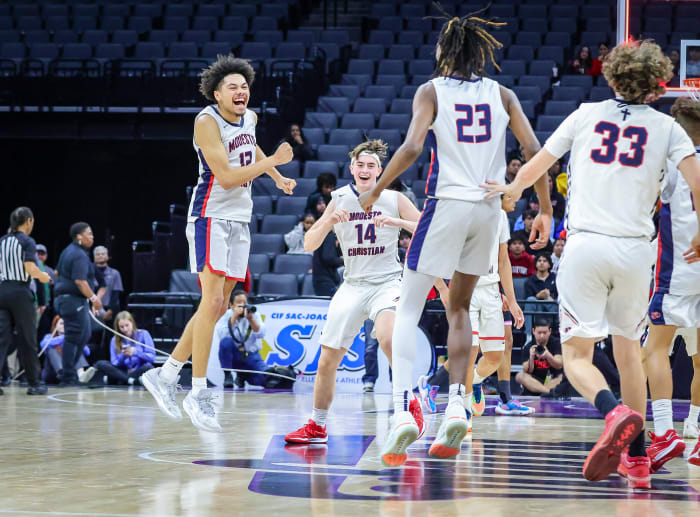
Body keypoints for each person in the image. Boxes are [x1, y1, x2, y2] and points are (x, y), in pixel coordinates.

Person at [485, 40, 700, 489]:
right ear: (658, 84)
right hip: (636, 252)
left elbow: (536, 165)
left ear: (612, 76)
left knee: (580, 355)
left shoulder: (585, 114)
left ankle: (613, 411)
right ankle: (638, 460)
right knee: (629, 354)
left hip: (584, 247)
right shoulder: (668, 129)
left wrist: (510, 193)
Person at [357, 6, 552, 466]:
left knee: (407, 308)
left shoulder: (431, 90)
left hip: (446, 203)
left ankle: (406, 408)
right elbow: (532, 150)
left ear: (444, 52)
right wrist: (542, 205)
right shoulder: (502, 94)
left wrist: (377, 191)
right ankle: (458, 404)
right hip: (487, 210)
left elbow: (410, 148)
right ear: (480, 56)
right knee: (460, 308)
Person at [141, 55, 296, 433]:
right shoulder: (206, 122)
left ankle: (166, 374)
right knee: (211, 303)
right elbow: (225, 177)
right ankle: (198, 392)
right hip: (210, 215)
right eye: (233, 86)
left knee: (219, 306)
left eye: (244, 85)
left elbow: (253, 148)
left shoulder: (251, 117)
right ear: (216, 93)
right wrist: (273, 160)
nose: (241, 91)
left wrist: (275, 174)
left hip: (240, 219)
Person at [285, 139, 447, 446]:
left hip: (387, 282)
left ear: (380, 171)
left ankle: (410, 403)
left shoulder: (393, 198)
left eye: (371, 165)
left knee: (387, 336)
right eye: (360, 164)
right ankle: (317, 427)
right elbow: (309, 245)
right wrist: (329, 220)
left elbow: (429, 228)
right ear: (351, 169)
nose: (365, 169)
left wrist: (397, 222)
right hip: (353, 285)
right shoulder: (339, 199)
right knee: (327, 360)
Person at [643, 97, 700, 471]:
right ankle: (696, 432)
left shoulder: (673, 162)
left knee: (654, 349)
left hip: (678, 268)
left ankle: (664, 433)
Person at [463, 197, 529, 420]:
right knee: (470, 349)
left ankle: (473, 384)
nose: (515, 199)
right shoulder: (462, 209)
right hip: (467, 287)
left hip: (492, 289)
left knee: (496, 354)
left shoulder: (500, 216)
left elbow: (503, 261)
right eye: (511, 196)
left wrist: (511, 300)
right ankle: (461, 407)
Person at [0, 207, 51, 396]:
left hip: (2, 291)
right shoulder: (27, 241)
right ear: (28, 221)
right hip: (20, 293)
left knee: (1, 339)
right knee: (28, 339)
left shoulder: (2, 241)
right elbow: (30, 268)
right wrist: (43, 276)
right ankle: (34, 383)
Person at [53, 222, 102, 387]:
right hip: (72, 300)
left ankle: (71, 372)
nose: (92, 237)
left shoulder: (67, 251)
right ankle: (68, 376)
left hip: (67, 300)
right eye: (89, 233)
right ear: (79, 236)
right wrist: (95, 299)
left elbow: (57, 273)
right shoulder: (79, 255)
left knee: (85, 334)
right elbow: (80, 281)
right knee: (73, 337)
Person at [88, 311, 155, 385]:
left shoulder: (143, 334)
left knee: (148, 367)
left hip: (138, 370)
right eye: (121, 327)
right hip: (122, 371)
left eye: (127, 325)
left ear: (132, 323)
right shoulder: (114, 339)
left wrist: (136, 353)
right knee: (101, 363)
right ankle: (130, 380)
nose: (125, 329)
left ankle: (122, 380)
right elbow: (114, 362)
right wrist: (123, 356)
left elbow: (152, 357)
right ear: (118, 327)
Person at [218, 290, 266, 387]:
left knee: (265, 379)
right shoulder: (226, 315)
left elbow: (261, 334)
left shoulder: (254, 314)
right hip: (235, 356)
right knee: (226, 342)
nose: (243, 305)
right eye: (239, 303)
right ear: (231, 305)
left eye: (245, 302)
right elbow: (222, 336)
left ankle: (243, 376)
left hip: (251, 355)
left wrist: (251, 319)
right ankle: (228, 375)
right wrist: (233, 317)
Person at [515, 320, 563, 395]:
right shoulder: (528, 346)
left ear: (550, 331)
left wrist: (548, 356)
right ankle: (547, 392)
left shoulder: (556, 343)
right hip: (535, 380)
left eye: (544, 333)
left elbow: (559, 365)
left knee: (562, 377)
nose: (542, 336)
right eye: (539, 332)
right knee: (520, 376)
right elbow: (527, 370)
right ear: (533, 331)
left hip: (553, 379)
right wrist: (531, 357)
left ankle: (543, 391)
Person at [40, 316, 92, 384]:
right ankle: (62, 373)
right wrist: (65, 337)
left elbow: (88, 352)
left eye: (66, 324)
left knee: (76, 348)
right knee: (51, 348)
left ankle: (81, 374)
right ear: (55, 325)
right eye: (61, 323)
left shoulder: (73, 338)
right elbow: (43, 345)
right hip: (52, 373)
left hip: (71, 371)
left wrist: (76, 341)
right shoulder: (49, 337)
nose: (64, 326)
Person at [93, 246, 123, 326]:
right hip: (93, 309)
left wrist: (110, 310)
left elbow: (116, 293)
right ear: (94, 258)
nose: (100, 256)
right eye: (98, 254)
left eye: (103, 254)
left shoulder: (115, 273)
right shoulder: (89, 274)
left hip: (109, 309)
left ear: (107, 256)